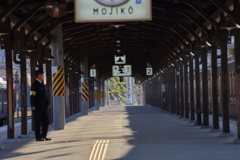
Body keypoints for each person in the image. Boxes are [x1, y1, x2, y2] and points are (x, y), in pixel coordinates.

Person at [30, 68, 51, 141]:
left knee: (46, 121)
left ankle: (44, 136)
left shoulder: (41, 84)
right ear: (37, 76)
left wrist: (47, 103)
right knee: (37, 122)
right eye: (41, 74)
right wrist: (33, 105)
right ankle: (38, 137)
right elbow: (32, 95)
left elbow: (45, 95)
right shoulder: (34, 85)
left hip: (43, 107)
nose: (42, 76)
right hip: (37, 107)